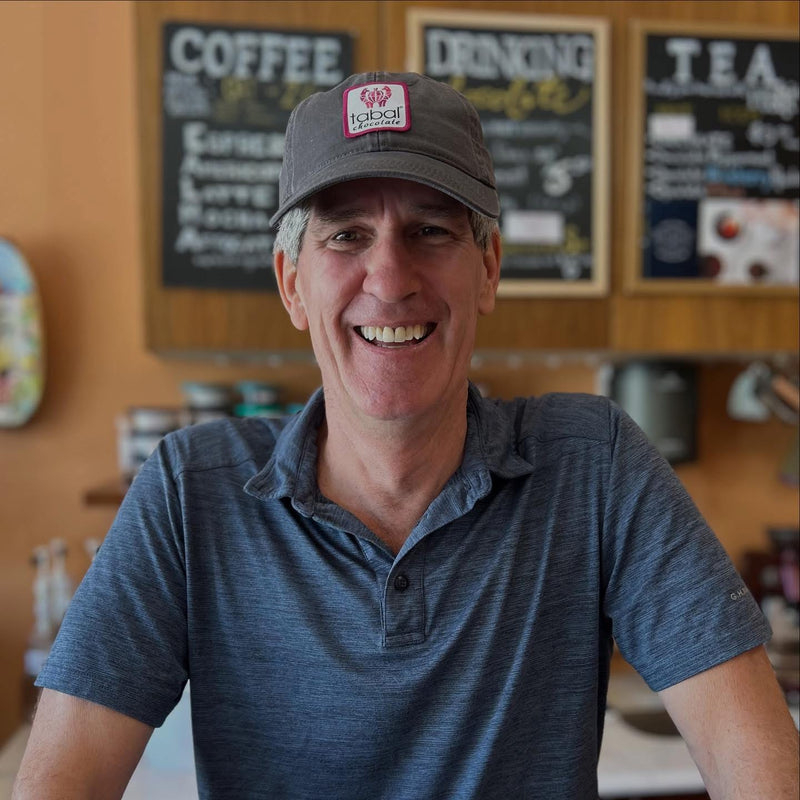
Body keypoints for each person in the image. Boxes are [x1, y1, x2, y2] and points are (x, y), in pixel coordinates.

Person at [14, 72, 798, 799]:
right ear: (292, 284)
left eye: (430, 231)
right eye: (346, 236)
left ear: (489, 268)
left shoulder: (593, 466)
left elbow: (761, 769)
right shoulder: (191, 492)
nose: (389, 279)